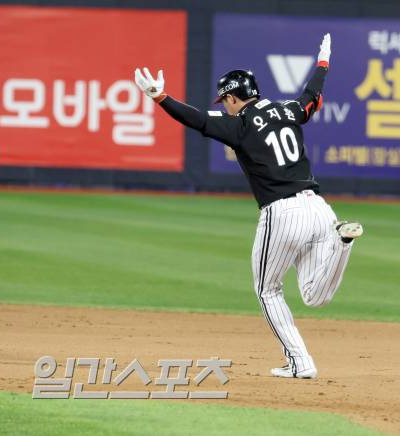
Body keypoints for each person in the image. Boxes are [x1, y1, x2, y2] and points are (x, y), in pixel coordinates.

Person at [134, 34, 363, 379]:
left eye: (224, 99)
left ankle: (301, 363)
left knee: (267, 290)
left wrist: (161, 98)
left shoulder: (240, 124)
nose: (223, 105)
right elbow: (311, 96)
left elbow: (198, 120)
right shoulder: (287, 110)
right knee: (315, 296)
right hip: (320, 210)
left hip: (283, 213)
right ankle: (343, 244)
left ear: (231, 97)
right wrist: (323, 63)